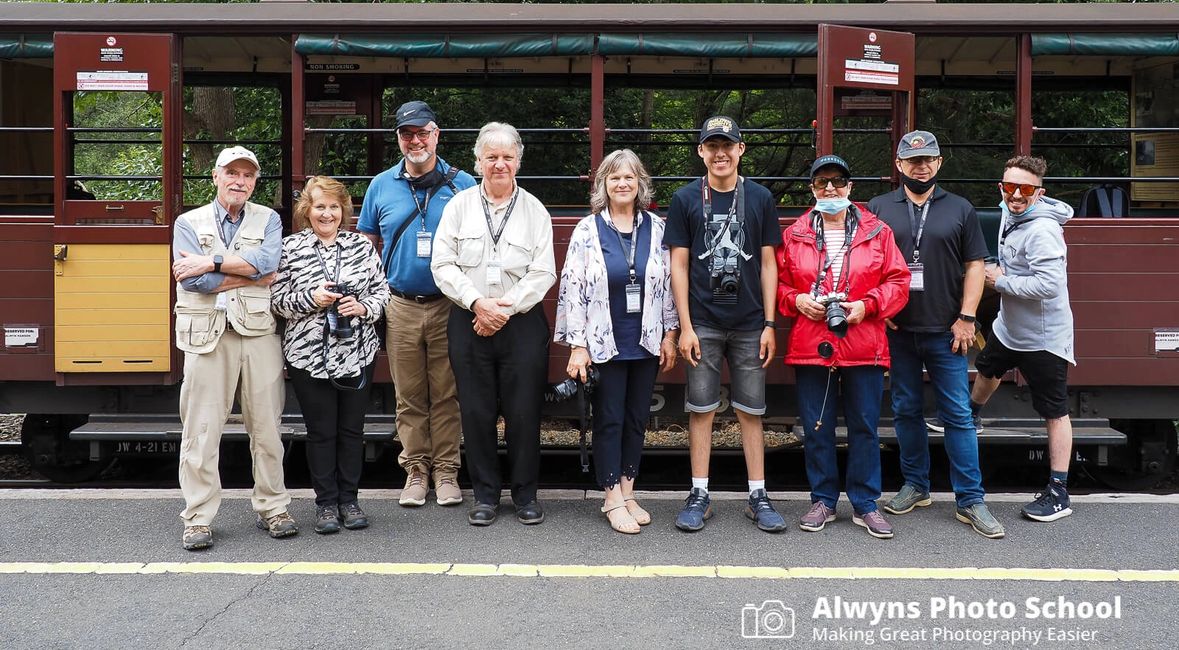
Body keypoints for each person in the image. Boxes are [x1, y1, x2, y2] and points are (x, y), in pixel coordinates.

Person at [868, 130, 1005, 539]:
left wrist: (967, 316)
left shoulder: (959, 208)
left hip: (949, 331)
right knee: (906, 411)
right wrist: (881, 308)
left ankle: (971, 500)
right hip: (898, 328)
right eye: (913, 160)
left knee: (959, 416)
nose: (921, 166)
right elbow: (867, 264)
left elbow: (976, 266)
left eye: (928, 159)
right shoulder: (878, 207)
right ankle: (916, 486)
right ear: (899, 165)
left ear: (939, 163)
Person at [777, 155, 910, 539]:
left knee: (865, 426)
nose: (830, 189)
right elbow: (780, 286)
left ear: (850, 187)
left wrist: (866, 306)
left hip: (863, 339)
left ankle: (866, 503)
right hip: (811, 342)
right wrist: (798, 300)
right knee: (817, 427)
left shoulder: (877, 231)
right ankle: (822, 500)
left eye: (837, 181)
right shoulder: (795, 233)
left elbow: (898, 282)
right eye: (822, 183)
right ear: (813, 189)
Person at [664, 115, 786, 533]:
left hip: (751, 323)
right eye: (711, 146)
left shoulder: (759, 198)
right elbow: (677, 266)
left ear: (740, 149)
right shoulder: (684, 199)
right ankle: (699, 494)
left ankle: (758, 495)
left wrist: (770, 323)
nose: (720, 153)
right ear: (701, 151)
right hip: (704, 323)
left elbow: (770, 264)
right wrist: (685, 326)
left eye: (727, 145)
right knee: (701, 410)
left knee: (752, 411)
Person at [431, 122, 556, 527]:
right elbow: (442, 264)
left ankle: (525, 496)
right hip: (468, 318)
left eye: (507, 157)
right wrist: (477, 303)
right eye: (491, 157)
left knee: (524, 413)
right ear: (478, 161)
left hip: (520, 324)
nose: (499, 164)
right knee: (476, 412)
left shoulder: (535, 209)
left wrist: (503, 308)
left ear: (518, 161)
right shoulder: (458, 206)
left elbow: (543, 272)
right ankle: (485, 495)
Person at [170, 146, 295, 550]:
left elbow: (270, 260)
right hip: (206, 335)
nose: (239, 181)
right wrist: (249, 275)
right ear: (216, 176)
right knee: (201, 431)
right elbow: (195, 283)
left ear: (255, 181)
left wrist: (209, 262)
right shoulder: (187, 222)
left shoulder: (270, 218)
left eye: (247, 176)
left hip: (258, 333)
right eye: (232, 174)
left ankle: (273, 508)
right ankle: (198, 517)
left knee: (267, 428)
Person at [358, 101, 476, 508]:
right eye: (407, 134)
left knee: (446, 393)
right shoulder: (381, 185)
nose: (416, 140)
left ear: (436, 134)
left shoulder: (464, 185)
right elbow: (368, 248)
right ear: (399, 139)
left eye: (422, 132)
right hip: (400, 304)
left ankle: (446, 472)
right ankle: (415, 472)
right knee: (408, 395)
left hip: (449, 304)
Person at [555, 149, 679, 534]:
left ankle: (628, 490)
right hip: (604, 342)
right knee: (608, 419)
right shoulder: (588, 230)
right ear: (603, 185)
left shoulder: (658, 228)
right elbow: (571, 289)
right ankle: (610, 496)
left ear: (640, 183)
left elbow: (671, 285)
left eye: (629, 177)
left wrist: (671, 333)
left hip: (645, 340)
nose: (622, 184)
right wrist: (578, 346)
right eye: (614, 178)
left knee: (637, 420)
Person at [272, 176, 390, 534]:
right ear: (307, 210)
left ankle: (350, 501)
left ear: (344, 211)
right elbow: (277, 301)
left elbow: (383, 292)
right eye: (320, 206)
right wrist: (313, 298)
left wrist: (363, 306)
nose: (327, 214)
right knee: (321, 432)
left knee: (352, 430)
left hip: (356, 352)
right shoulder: (290, 248)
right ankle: (325, 505)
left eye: (334, 207)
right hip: (308, 355)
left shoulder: (361, 247)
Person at [971, 156, 1076, 522]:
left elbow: (1049, 285)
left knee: (1054, 411)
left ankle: (1059, 492)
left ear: (1039, 192)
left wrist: (998, 281)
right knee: (987, 367)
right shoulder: (1010, 212)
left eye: (1025, 189)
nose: (1015, 194)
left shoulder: (1043, 230)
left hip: (1044, 337)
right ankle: (972, 416)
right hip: (1009, 327)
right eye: (1009, 186)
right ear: (1001, 187)